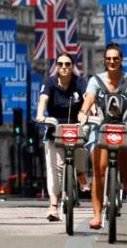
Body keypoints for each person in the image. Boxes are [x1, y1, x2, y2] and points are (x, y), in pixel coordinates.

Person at [77, 43, 127, 230]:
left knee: (125, 141)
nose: (112, 61)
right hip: (101, 127)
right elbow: (88, 100)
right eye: (108, 58)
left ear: (121, 60)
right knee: (99, 171)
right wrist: (84, 113)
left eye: (115, 58)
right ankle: (96, 215)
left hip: (122, 126)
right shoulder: (96, 80)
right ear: (104, 60)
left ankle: (125, 179)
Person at [35, 52, 88, 222]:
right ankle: (53, 206)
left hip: (75, 128)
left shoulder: (79, 82)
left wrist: (87, 113)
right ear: (56, 66)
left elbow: (88, 99)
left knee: (81, 150)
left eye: (67, 64)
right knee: (55, 169)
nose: (64, 67)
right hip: (55, 129)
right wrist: (40, 115)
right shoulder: (50, 82)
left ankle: (80, 173)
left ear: (73, 67)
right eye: (60, 64)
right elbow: (43, 99)